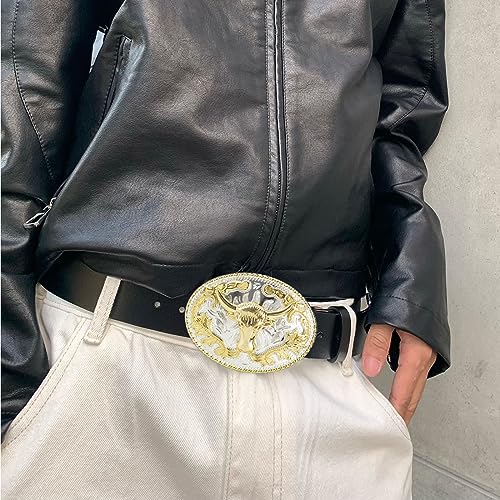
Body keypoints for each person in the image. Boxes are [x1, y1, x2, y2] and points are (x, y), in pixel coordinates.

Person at [1, 0, 451, 498]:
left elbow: (403, 111)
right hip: (111, 359)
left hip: (323, 374)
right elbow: (24, 92)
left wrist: (412, 275)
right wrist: (8, 373)